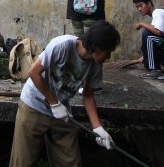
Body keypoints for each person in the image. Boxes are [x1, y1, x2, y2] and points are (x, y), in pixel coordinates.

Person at [9, 20, 121, 167]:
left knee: (70, 162)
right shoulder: (62, 45)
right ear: (97, 47)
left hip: (61, 111)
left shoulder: (95, 65)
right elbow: (34, 72)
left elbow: (88, 95)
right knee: (22, 162)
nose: (109, 57)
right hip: (34, 105)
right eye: (108, 51)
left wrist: (97, 127)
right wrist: (53, 102)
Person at [133, 0, 164, 80]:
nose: (139, 9)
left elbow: (159, 32)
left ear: (149, 3)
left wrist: (142, 24)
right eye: (137, 7)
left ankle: (154, 70)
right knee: (145, 47)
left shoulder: (158, 12)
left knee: (147, 35)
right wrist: (146, 55)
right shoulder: (156, 16)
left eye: (141, 5)